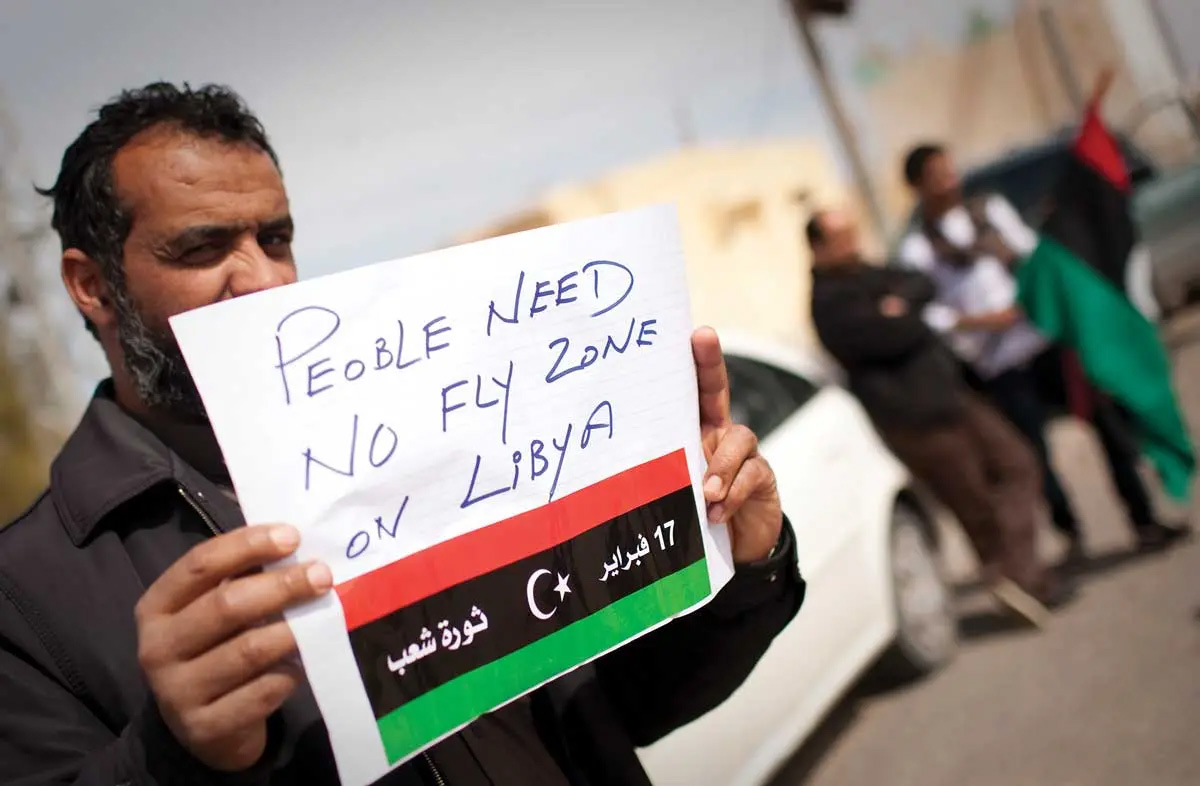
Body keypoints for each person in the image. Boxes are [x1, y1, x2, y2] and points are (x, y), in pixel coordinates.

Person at [0, 82, 805, 786]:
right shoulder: (26, 600)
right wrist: (174, 756)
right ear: (91, 283)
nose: (263, 282)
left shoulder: (436, 441)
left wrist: (740, 556)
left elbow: (624, 705)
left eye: (274, 239)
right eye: (203, 248)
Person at [897, 141, 1189, 559]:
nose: (949, 180)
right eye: (937, 175)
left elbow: (1032, 256)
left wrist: (1038, 295)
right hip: (999, 363)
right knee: (1034, 456)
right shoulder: (919, 250)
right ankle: (1071, 536)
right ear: (918, 186)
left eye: (950, 169)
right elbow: (931, 315)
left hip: (1044, 340)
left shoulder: (989, 211)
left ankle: (1143, 519)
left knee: (1107, 426)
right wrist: (984, 322)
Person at [807, 206, 1071, 622]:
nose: (851, 241)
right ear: (818, 247)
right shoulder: (828, 303)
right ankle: (1024, 583)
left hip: (953, 395)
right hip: (915, 419)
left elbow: (921, 283)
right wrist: (903, 314)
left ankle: (1015, 573)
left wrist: (901, 306)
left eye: (853, 231)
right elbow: (890, 336)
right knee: (973, 502)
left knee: (1018, 463)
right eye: (840, 236)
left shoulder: (870, 274)